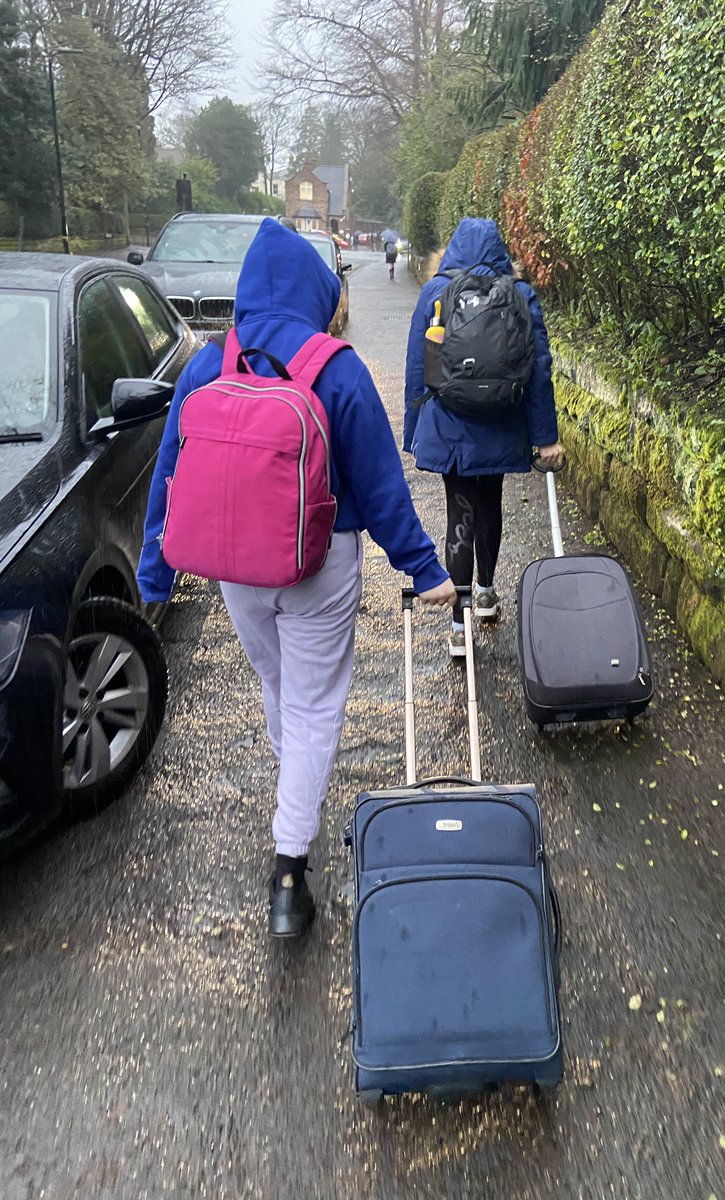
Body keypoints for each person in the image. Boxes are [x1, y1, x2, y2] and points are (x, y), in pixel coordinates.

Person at [138, 219, 455, 939]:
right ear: (317, 294)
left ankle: (295, 794)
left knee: (280, 686)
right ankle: (289, 869)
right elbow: (380, 489)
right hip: (319, 561)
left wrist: (154, 576)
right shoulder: (334, 367)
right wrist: (424, 570)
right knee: (315, 706)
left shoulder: (210, 363)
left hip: (234, 565)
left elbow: (170, 477)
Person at [403, 217, 564, 658]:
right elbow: (539, 370)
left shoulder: (435, 293)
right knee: (490, 501)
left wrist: (413, 433)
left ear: (453, 248)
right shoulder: (519, 293)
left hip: (449, 425)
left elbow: (418, 366)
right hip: (501, 422)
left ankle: (458, 626)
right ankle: (488, 593)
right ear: (500, 249)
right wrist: (545, 437)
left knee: (461, 511)